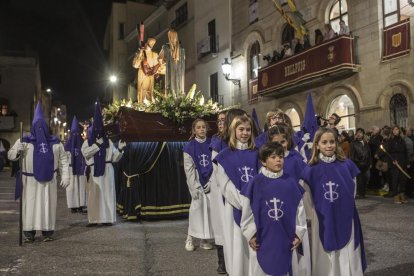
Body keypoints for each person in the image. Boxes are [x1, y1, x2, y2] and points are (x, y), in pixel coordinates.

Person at [301, 128, 366, 275]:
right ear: (316, 145)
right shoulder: (310, 170)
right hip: (322, 216)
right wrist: (314, 214)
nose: (329, 145)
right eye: (324, 142)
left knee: (346, 250)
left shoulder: (347, 165)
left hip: (346, 214)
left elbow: (353, 190)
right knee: (324, 252)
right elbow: (307, 198)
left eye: (332, 142)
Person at [240, 142, 308, 276]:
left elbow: (300, 210)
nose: (278, 160)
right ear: (263, 161)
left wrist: (299, 233)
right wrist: (250, 234)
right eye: (273, 157)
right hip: (262, 237)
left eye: (281, 157)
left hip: (286, 236)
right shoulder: (255, 183)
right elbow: (247, 212)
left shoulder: (291, 182)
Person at [8, 102, 69, 242]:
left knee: (47, 206)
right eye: (37, 126)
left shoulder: (55, 142)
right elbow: (10, 156)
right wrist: (18, 150)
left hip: (49, 181)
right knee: (30, 206)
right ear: (33, 127)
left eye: (42, 126)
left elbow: (64, 160)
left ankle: (48, 232)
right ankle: (29, 233)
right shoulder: (24, 141)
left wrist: (65, 176)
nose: (40, 129)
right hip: (29, 181)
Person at [214, 115, 261, 276]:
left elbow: (263, 179)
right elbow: (224, 184)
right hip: (234, 206)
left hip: (256, 207)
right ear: (233, 131)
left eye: (248, 129)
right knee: (236, 245)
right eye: (241, 129)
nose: (245, 133)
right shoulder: (224, 155)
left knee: (255, 245)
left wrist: (252, 203)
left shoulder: (258, 154)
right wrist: (243, 203)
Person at [210, 108, 247, 275]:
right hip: (224, 192)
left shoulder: (247, 143)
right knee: (225, 229)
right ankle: (223, 261)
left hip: (245, 192)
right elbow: (216, 171)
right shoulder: (218, 142)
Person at [81, 102, 126, 226]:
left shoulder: (109, 142)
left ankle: (107, 219)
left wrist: (120, 149)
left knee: (107, 194)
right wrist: (97, 145)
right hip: (93, 171)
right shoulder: (87, 143)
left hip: (107, 170)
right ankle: (94, 219)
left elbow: (115, 158)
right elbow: (86, 154)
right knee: (93, 195)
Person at [183, 118, 214, 251]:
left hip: (211, 181)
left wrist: (213, 180)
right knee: (196, 209)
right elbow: (188, 169)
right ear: (194, 130)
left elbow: (216, 163)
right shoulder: (189, 147)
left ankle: (204, 239)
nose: (202, 129)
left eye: (203, 127)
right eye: (199, 127)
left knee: (209, 211)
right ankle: (189, 238)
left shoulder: (212, 143)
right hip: (197, 180)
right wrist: (193, 186)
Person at [64, 116, 87, 213]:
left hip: (81, 168)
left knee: (81, 187)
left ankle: (82, 204)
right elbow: (64, 158)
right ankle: (73, 205)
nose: (75, 136)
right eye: (74, 134)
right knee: (72, 187)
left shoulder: (83, 143)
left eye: (77, 134)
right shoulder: (67, 146)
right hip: (70, 169)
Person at [132, 37, 161, 104]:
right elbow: (135, 65)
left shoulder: (154, 54)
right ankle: (142, 104)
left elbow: (157, 67)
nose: (152, 43)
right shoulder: (141, 53)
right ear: (146, 43)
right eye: (151, 42)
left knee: (150, 91)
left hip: (151, 75)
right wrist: (140, 53)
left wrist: (156, 71)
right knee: (142, 90)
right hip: (142, 74)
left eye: (154, 42)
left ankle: (149, 105)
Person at [158, 29, 185, 94]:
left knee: (170, 84)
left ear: (169, 37)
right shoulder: (182, 50)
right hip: (179, 71)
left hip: (170, 70)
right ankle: (179, 97)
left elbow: (159, 58)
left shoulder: (165, 47)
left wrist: (163, 64)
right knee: (179, 84)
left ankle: (170, 98)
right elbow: (184, 59)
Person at [387, 125, 408, 203]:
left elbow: (405, 151)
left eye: (397, 129)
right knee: (395, 179)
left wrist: (407, 162)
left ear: (399, 130)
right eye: (394, 129)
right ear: (392, 131)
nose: (395, 131)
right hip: (394, 163)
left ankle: (402, 194)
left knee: (402, 179)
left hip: (402, 162)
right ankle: (395, 195)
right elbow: (388, 152)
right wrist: (392, 160)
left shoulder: (402, 140)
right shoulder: (391, 140)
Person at [350, 128, 371, 199]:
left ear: (363, 134)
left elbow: (369, 153)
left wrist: (370, 163)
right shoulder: (353, 143)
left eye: (360, 133)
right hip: (358, 164)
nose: (359, 134)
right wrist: (352, 164)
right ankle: (360, 193)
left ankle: (363, 193)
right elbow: (351, 155)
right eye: (357, 132)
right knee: (359, 179)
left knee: (365, 178)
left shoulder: (366, 143)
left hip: (366, 164)